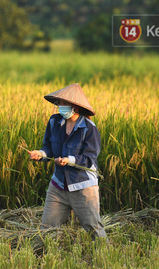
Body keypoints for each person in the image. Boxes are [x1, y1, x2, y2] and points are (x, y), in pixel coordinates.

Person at [27, 83, 106, 239]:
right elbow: (48, 147)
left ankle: (105, 255)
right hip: (58, 186)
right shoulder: (54, 122)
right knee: (46, 230)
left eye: (63, 103)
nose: (59, 107)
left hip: (83, 188)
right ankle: (44, 259)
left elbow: (90, 158)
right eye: (58, 103)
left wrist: (69, 160)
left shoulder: (89, 129)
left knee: (94, 229)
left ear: (74, 106)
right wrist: (41, 154)